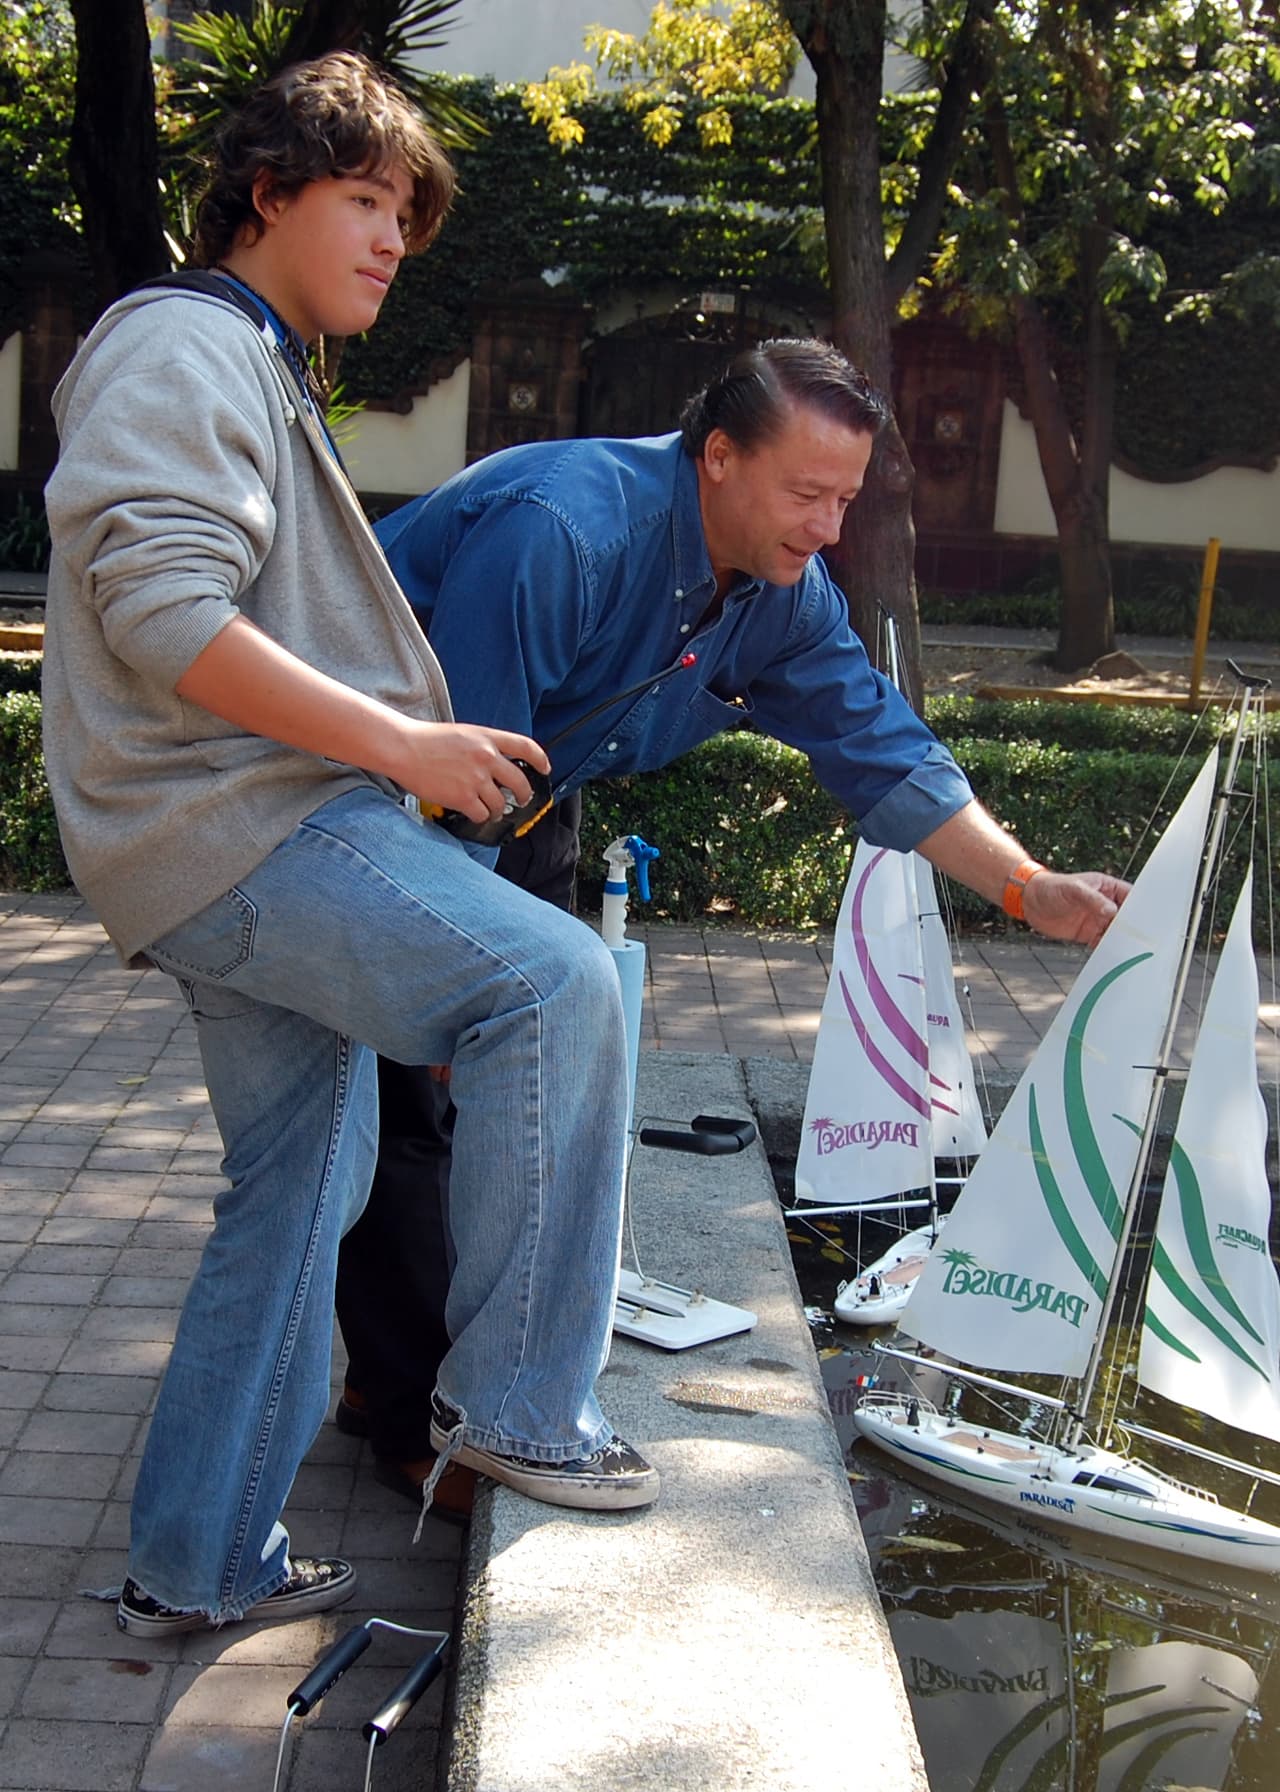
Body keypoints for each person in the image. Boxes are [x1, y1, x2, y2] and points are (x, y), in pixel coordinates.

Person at [41, 51, 658, 1643]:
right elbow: (165, 613)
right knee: (559, 983)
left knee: (306, 1180)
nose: (393, 240)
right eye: (366, 202)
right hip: (244, 827)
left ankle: (200, 1561)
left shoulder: (251, 358)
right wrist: (405, 745)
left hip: (213, 835)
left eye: (405, 215)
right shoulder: (185, 342)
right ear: (268, 195)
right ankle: (520, 1408)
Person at [333, 339, 1129, 1501]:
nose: (826, 526)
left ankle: (399, 1379)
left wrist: (1028, 887)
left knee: (503, 1095)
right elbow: (448, 783)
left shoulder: (782, 596)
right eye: (806, 494)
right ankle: (411, 1422)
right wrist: (457, 1014)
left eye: (846, 500)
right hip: (384, 787)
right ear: (715, 457)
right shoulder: (563, 531)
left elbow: (882, 745)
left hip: (530, 792)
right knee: (420, 1102)